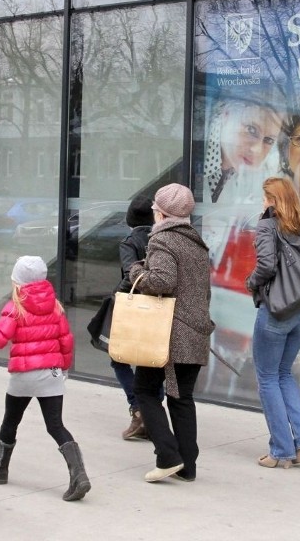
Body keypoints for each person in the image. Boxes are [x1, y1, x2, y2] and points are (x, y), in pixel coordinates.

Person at [0, 255, 91, 502]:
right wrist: (64, 369)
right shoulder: (56, 306)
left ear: (17, 281)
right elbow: (65, 341)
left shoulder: (15, 307)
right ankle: (78, 474)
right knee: (55, 425)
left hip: (24, 375)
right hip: (52, 373)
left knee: (10, 422)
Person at [128, 183, 215, 482]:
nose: (153, 215)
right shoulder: (196, 242)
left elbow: (162, 281)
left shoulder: (163, 240)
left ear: (162, 214)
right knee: (182, 399)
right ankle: (187, 466)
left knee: (144, 391)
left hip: (169, 335)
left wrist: (136, 272)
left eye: (154, 210)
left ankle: (167, 455)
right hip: (196, 332)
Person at [245, 177, 300, 468]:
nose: (262, 203)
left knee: (267, 378)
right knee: (284, 374)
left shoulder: (268, 225)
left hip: (277, 310)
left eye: (265, 198)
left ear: (273, 200)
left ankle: (281, 451)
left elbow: (266, 265)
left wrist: (251, 282)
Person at [112, 194, 155, 440]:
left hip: (135, 307)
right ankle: (150, 412)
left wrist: (116, 294)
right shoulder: (160, 237)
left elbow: (132, 275)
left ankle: (139, 409)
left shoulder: (130, 241)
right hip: (158, 305)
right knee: (151, 360)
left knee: (118, 358)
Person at [203, 98, 283, 204]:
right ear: (227, 115)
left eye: (268, 140)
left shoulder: (245, 172)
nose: (257, 150)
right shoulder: (194, 155)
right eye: (251, 130)